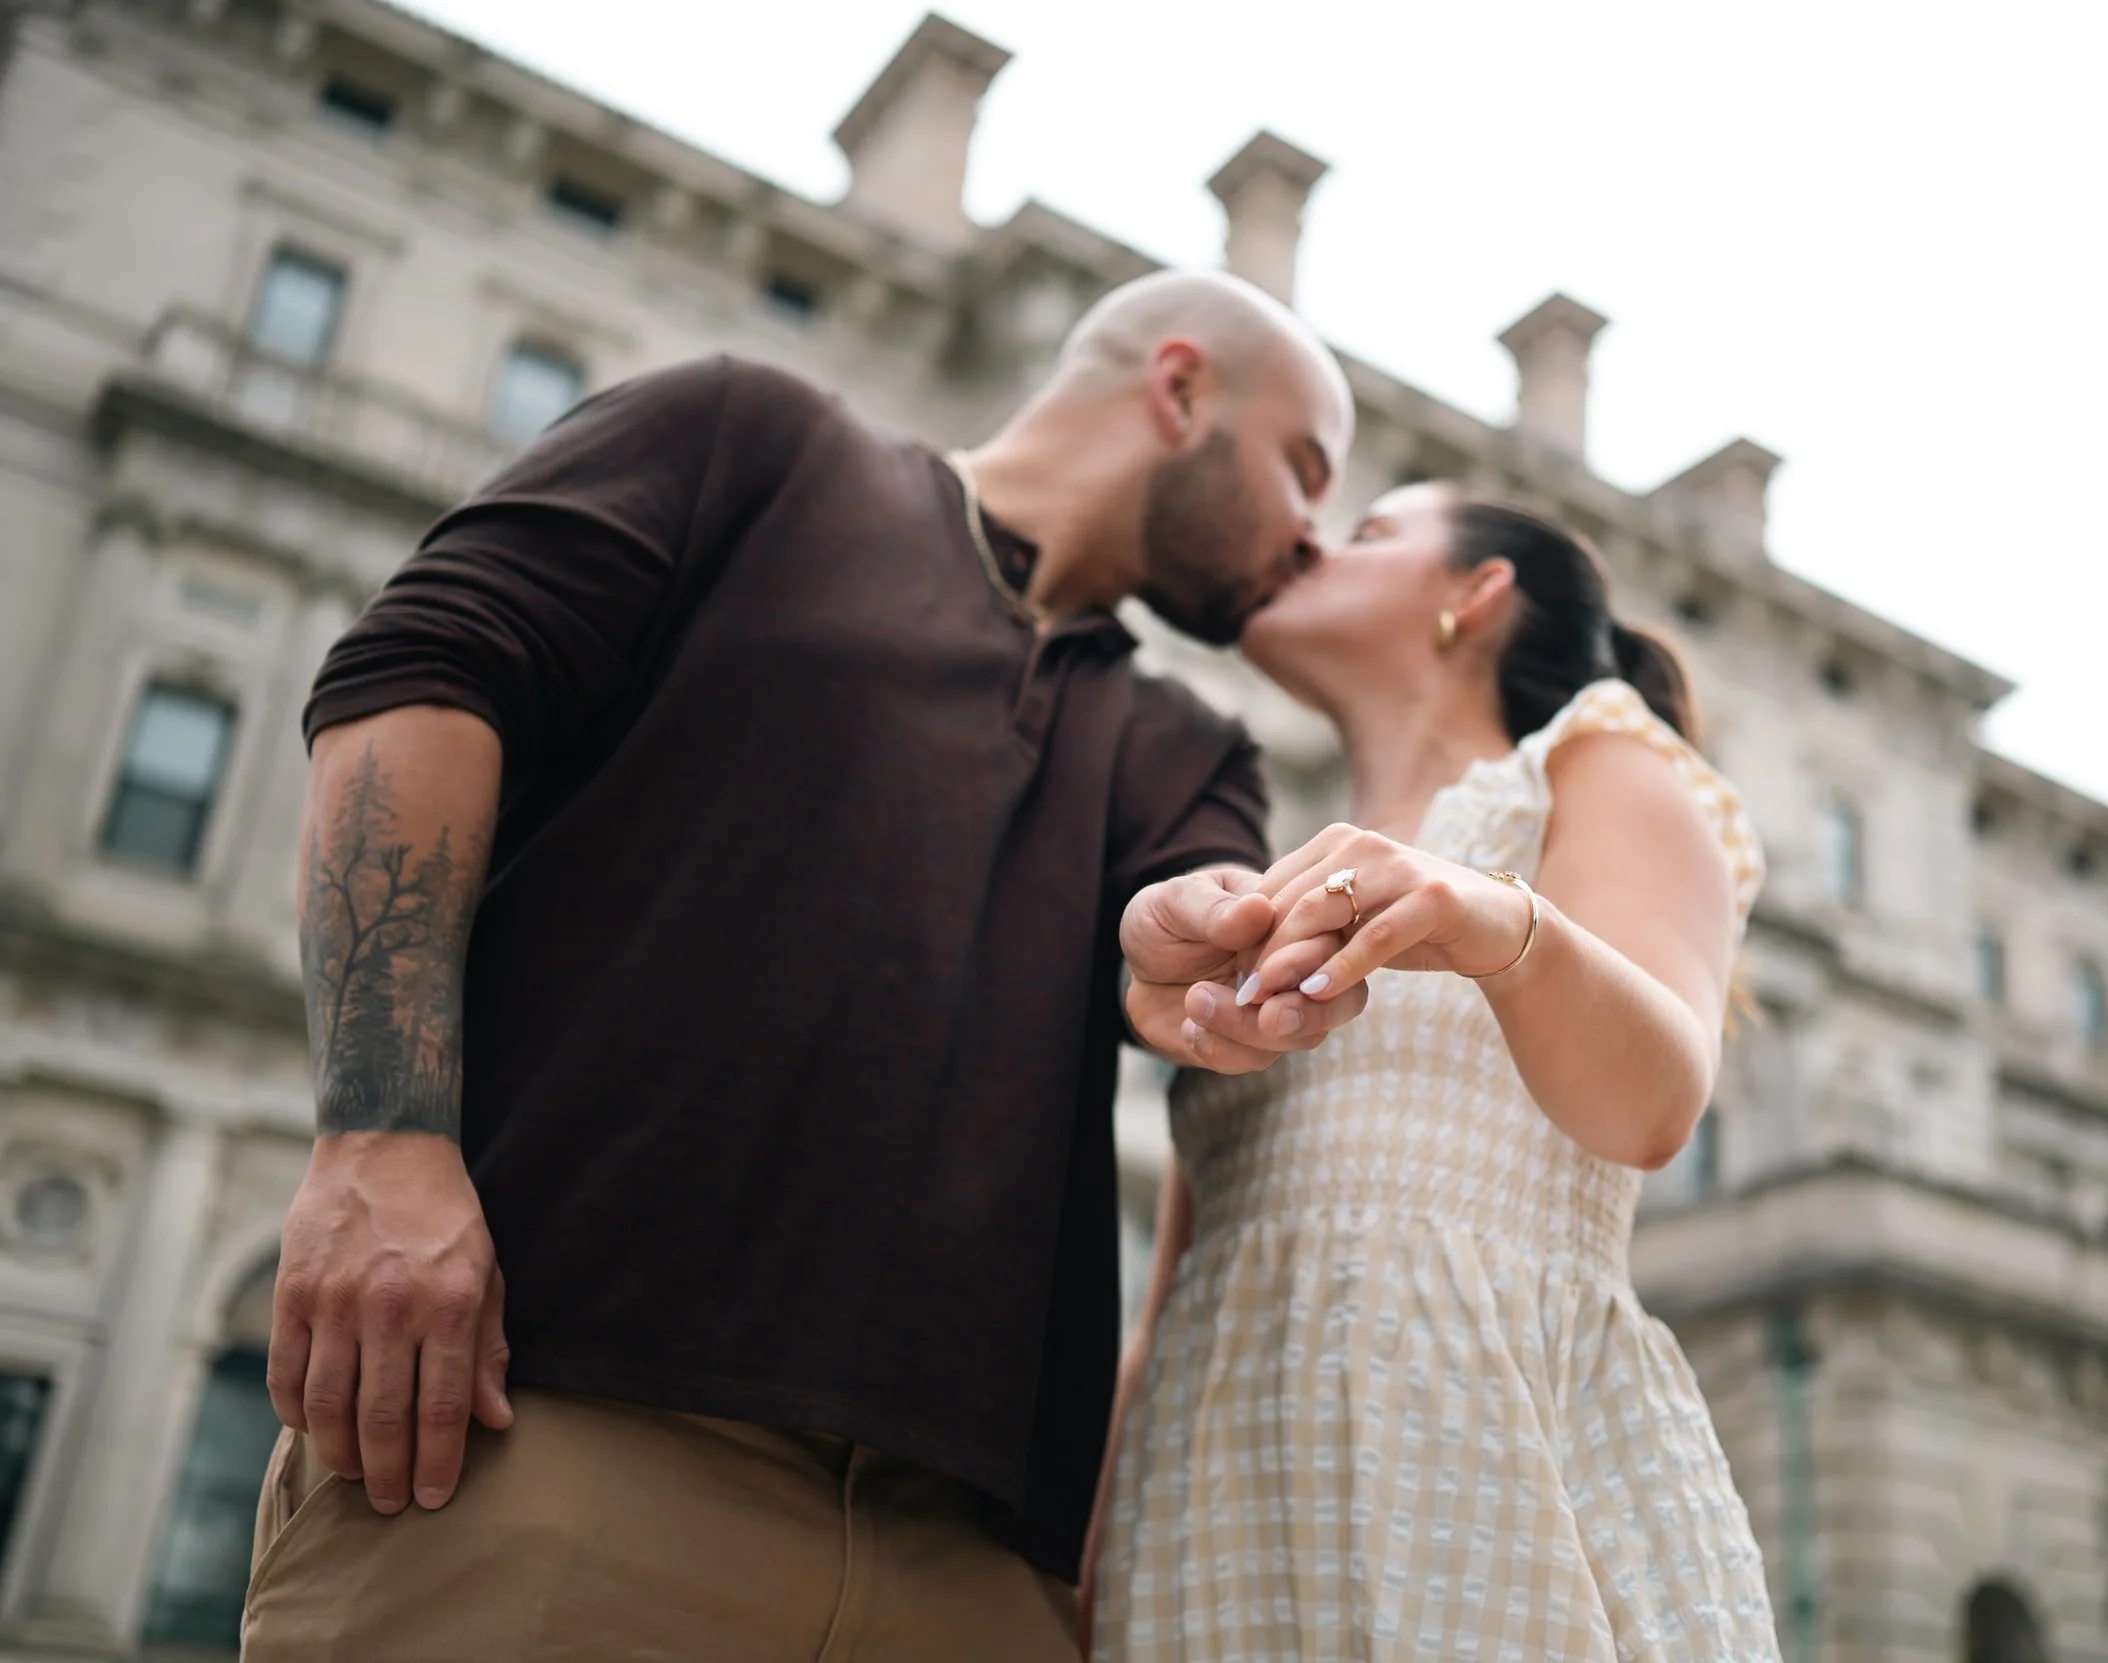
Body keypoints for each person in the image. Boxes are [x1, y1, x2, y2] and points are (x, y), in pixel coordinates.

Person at [243, 270, 1364, 1661]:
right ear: (1181, 386)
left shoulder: (1190, 743)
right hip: (543, 1435)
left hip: (971, 1572)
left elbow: (1165, 947)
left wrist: (1197, 952)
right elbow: (420, 678)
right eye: (1305, 469)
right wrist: (377, 1135)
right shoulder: (746, 441)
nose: (1316, 534)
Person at [1088, 484, 1782, 1660]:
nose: (1307, 539)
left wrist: (1488, 920)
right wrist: (1089, 1567)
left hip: (1474, 1452)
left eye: (1368, 532)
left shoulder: (1587, 764)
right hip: (1210, 1501)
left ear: (1477, 595)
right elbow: (1164, 1306)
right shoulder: (1263, 884)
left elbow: (1655, 1104)